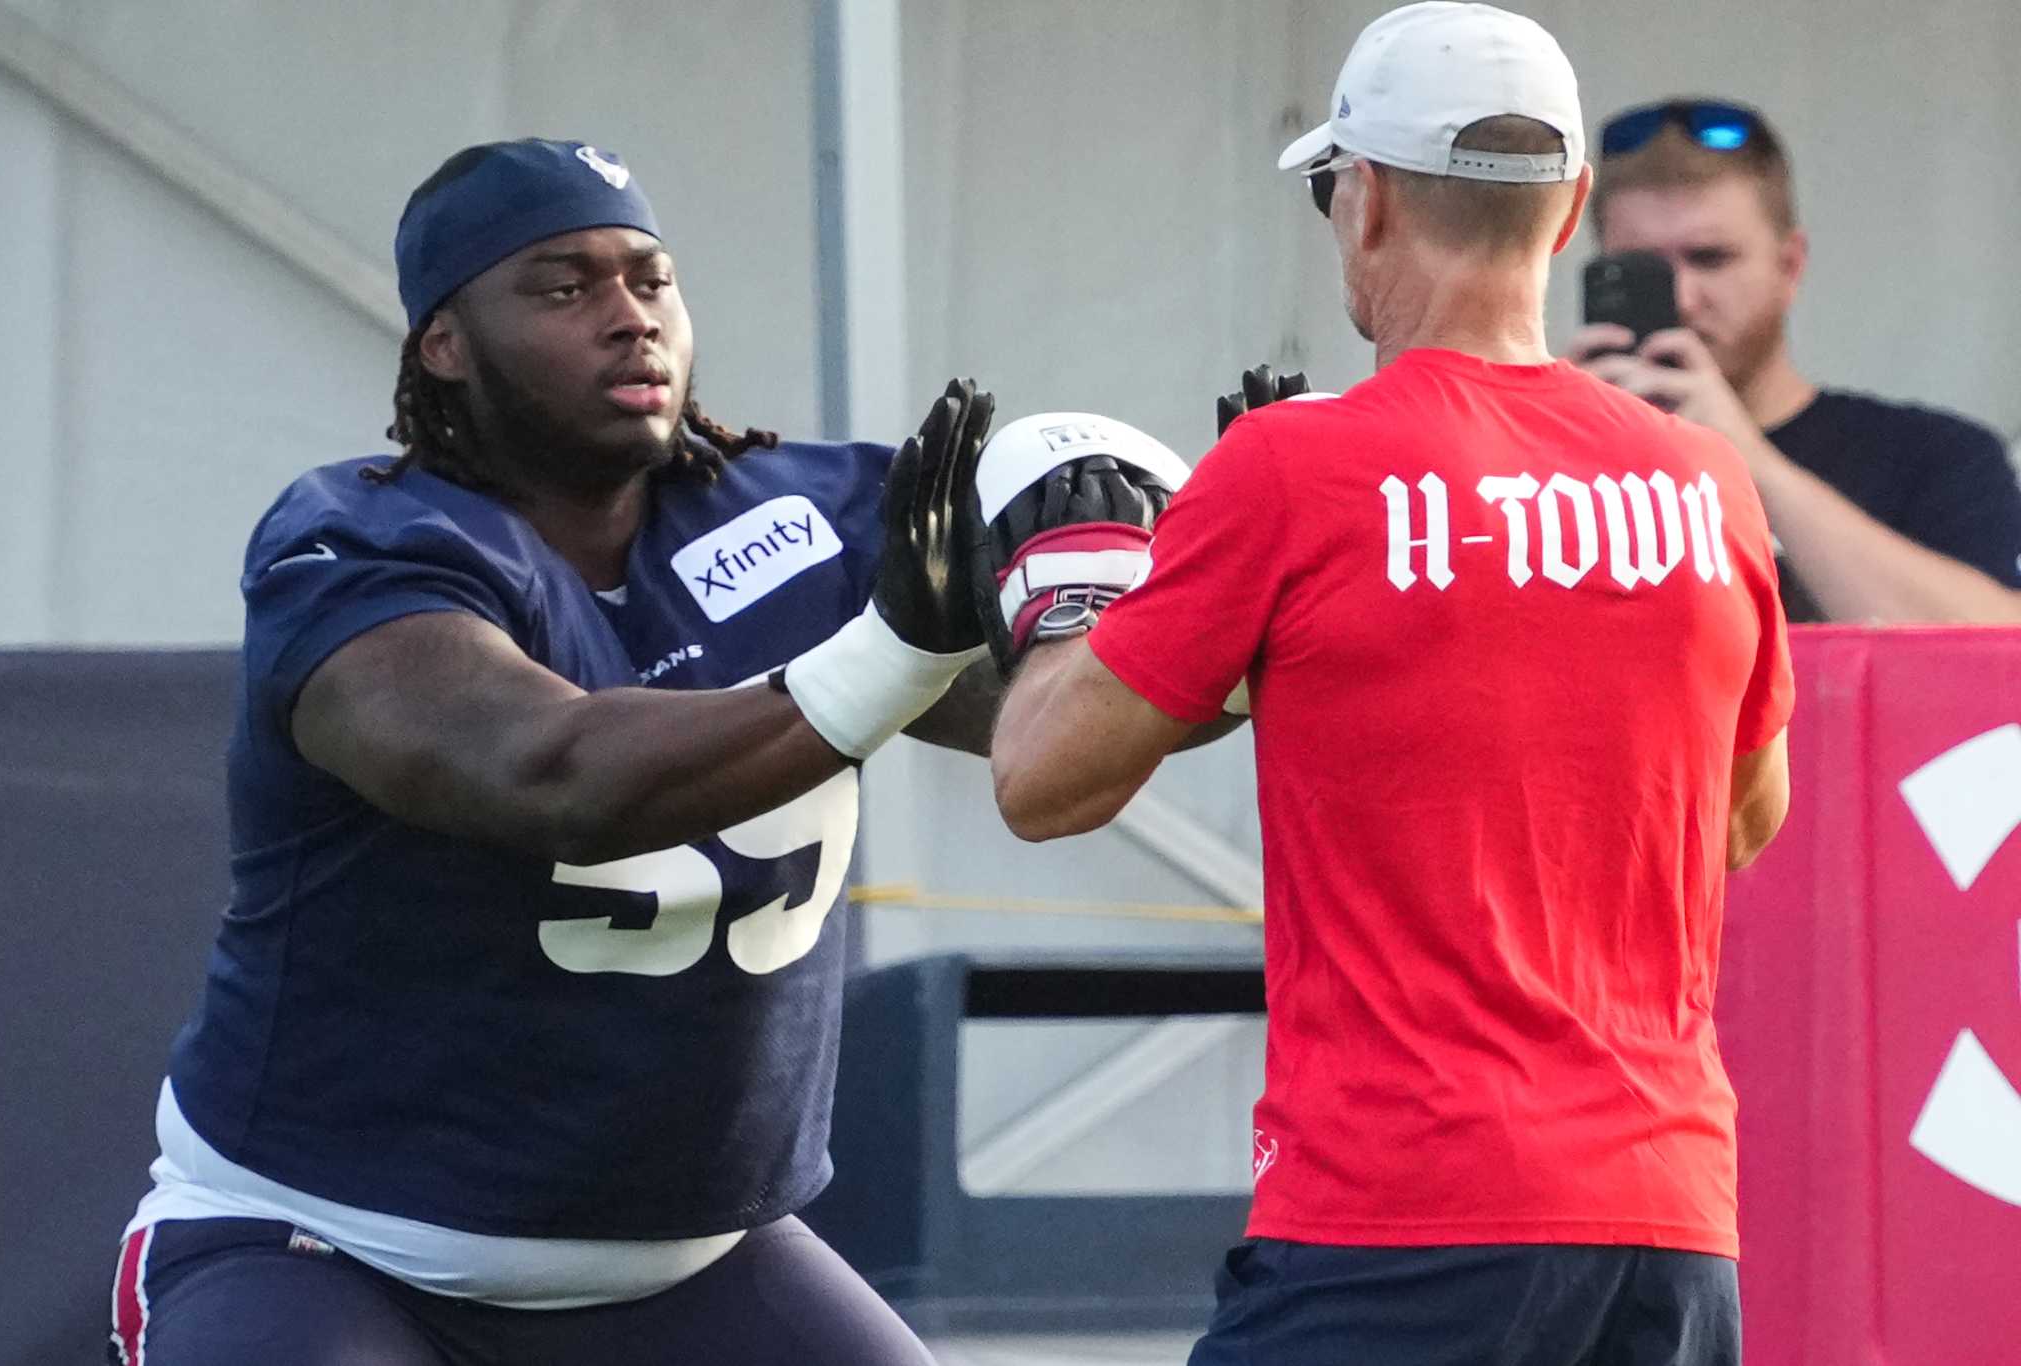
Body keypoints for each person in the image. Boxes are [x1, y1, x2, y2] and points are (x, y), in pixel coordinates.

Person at [980, 5, 1793, 1364]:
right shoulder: (1707, 482)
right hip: (1666, 1229)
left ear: (1363, 203)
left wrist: (1076, 600)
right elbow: (1739, 823)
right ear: (1575, 205)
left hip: (1396, 1221)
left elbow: (1041, 782)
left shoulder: (1295, 470)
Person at [106, 137, 1002, 1366]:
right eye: (563, 287)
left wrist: (1208, 590)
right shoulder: (361, 542)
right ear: (446, 343)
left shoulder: (806, 514)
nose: (629, 319)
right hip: (334, 1245)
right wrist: (898, 652)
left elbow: (1051, 728)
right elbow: (549, 775)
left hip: (695, 1262)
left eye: (649, 278)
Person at [1568, 98, 2021, 623]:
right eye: (1643, 269)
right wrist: (1537, 441)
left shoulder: (1934, 458)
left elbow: (1996, 657)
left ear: (1790, 265)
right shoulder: (1553, 468)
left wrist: (1748, 460)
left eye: (1710, 258)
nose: (1685, 298)